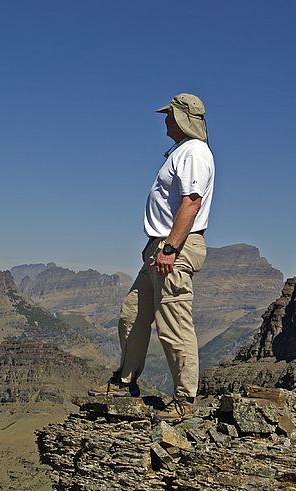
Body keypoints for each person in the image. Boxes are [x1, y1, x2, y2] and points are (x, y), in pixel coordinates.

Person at [89, 93, 215, 420]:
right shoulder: (183, 152)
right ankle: (125, 381)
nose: (165, 120)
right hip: (158, 248)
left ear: (183, 117)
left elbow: (192, 203)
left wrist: (171, 248)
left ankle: (185, 400)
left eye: (170, 115)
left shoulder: (194, 153)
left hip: (173, 247)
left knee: (173, 324)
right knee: (132, 313)